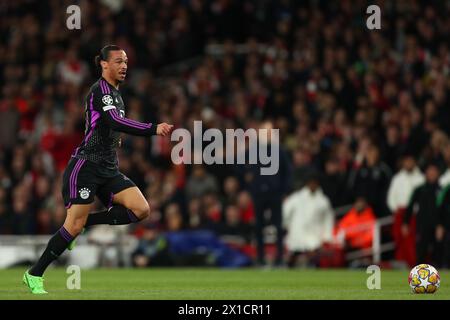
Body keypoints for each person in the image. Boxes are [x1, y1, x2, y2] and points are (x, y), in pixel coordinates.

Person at [23, 45, 173, 294]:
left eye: (125, 61)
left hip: (109, 169)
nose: (124, 66)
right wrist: (152, 128)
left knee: (141, 209)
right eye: (117, 61)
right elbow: (114, 120)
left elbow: (110, 126)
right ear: (103, 64)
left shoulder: (116, 94)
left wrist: (115, 140)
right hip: (86, 166)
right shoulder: (99, 91)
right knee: (71, 226)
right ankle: (34, 274)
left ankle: (84, 224)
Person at [282, 173, 334, 268]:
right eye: (310, 183)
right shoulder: (296, 198)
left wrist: (327, 237)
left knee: (314, 260)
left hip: (315, 237)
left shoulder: (323, 201)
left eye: (314, 183)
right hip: (297, 236)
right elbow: (285, 213)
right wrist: (287, 226)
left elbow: (328, 221)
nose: (312, 185)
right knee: (293, 260)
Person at [402, 163, 442, 266]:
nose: (432, 174)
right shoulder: (419, 190)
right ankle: (419, 277)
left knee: (438, 254)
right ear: (426, 173)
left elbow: (445, 210)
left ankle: (437, 277)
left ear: (438, 173)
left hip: (437, 227)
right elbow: (410, 206)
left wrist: (441, 226)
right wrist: (405, 222)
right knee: (420, 253)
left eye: (434, 171)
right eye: (430, 171)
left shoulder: (442, 191)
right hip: (422, 226)